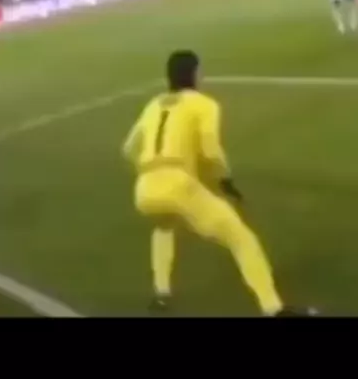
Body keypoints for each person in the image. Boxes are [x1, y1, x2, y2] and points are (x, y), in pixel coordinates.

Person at [122, 50, 316, 317]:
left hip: (145, 189)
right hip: (178, 185)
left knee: (163, 226)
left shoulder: (154, 104)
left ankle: (161, 293)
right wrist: (225, 181)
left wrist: (151, 171)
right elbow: (211, 150)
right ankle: (273, 308)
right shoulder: (204, 104)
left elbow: (128, 148)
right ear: (194, 74)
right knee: (242, 239)